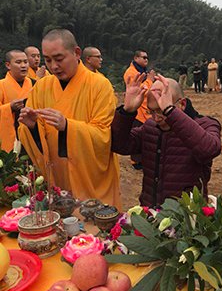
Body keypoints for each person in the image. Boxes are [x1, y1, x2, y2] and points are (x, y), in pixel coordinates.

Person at [18, 29, 120, 208]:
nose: (54, 66)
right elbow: (33, 137)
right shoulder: (42, 87)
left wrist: (67, 126)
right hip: (57, 176)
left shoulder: (100, 86)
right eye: (48, 60)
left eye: (59, 59)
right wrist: (32, 127)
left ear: (77, 53)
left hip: (89, 179)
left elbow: (104, 135)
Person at [111, 74, 222, 207]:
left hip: (187, 216)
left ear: (182, 104)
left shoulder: (206, 124)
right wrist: (127, 111)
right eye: (151, 111)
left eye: (161, 111)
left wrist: (170, 112)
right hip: (151, 212)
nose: (156, 118)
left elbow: (209, 149)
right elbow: (119, 145)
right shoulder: (150, 127)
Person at [123, 49, 153, 170]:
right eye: (143, 57)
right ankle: (136, 162)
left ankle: (144, 159)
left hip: (146, 109)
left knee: (146, 136)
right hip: (137, 110)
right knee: (136, 136)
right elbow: (141, 89)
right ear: (136, 58)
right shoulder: (131, 72)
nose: (146, 60)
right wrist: (150, 80)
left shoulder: (141, 71)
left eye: (147, 58)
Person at [0, 50, 32, 152]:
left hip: (31, 134)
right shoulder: (1, 85)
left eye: (25, 62)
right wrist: (9, 107)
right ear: (8, 65)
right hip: (10, 136)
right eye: (18, 62)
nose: (23, 66)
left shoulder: (36, 84)